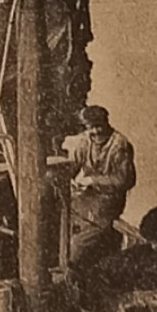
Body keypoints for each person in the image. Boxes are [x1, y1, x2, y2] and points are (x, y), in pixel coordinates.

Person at [63, 105, 136, 272]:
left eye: (98, 127)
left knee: (78, 244)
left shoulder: (119, 145)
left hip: (109, 200)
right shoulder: (84, 141)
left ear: (106, 123)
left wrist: (92, 180)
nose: (95, 132)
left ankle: (74, 265)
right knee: (61, 219)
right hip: (87, 197)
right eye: (90, 128)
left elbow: (125, 180)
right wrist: (68, 181)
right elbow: (72, 167)